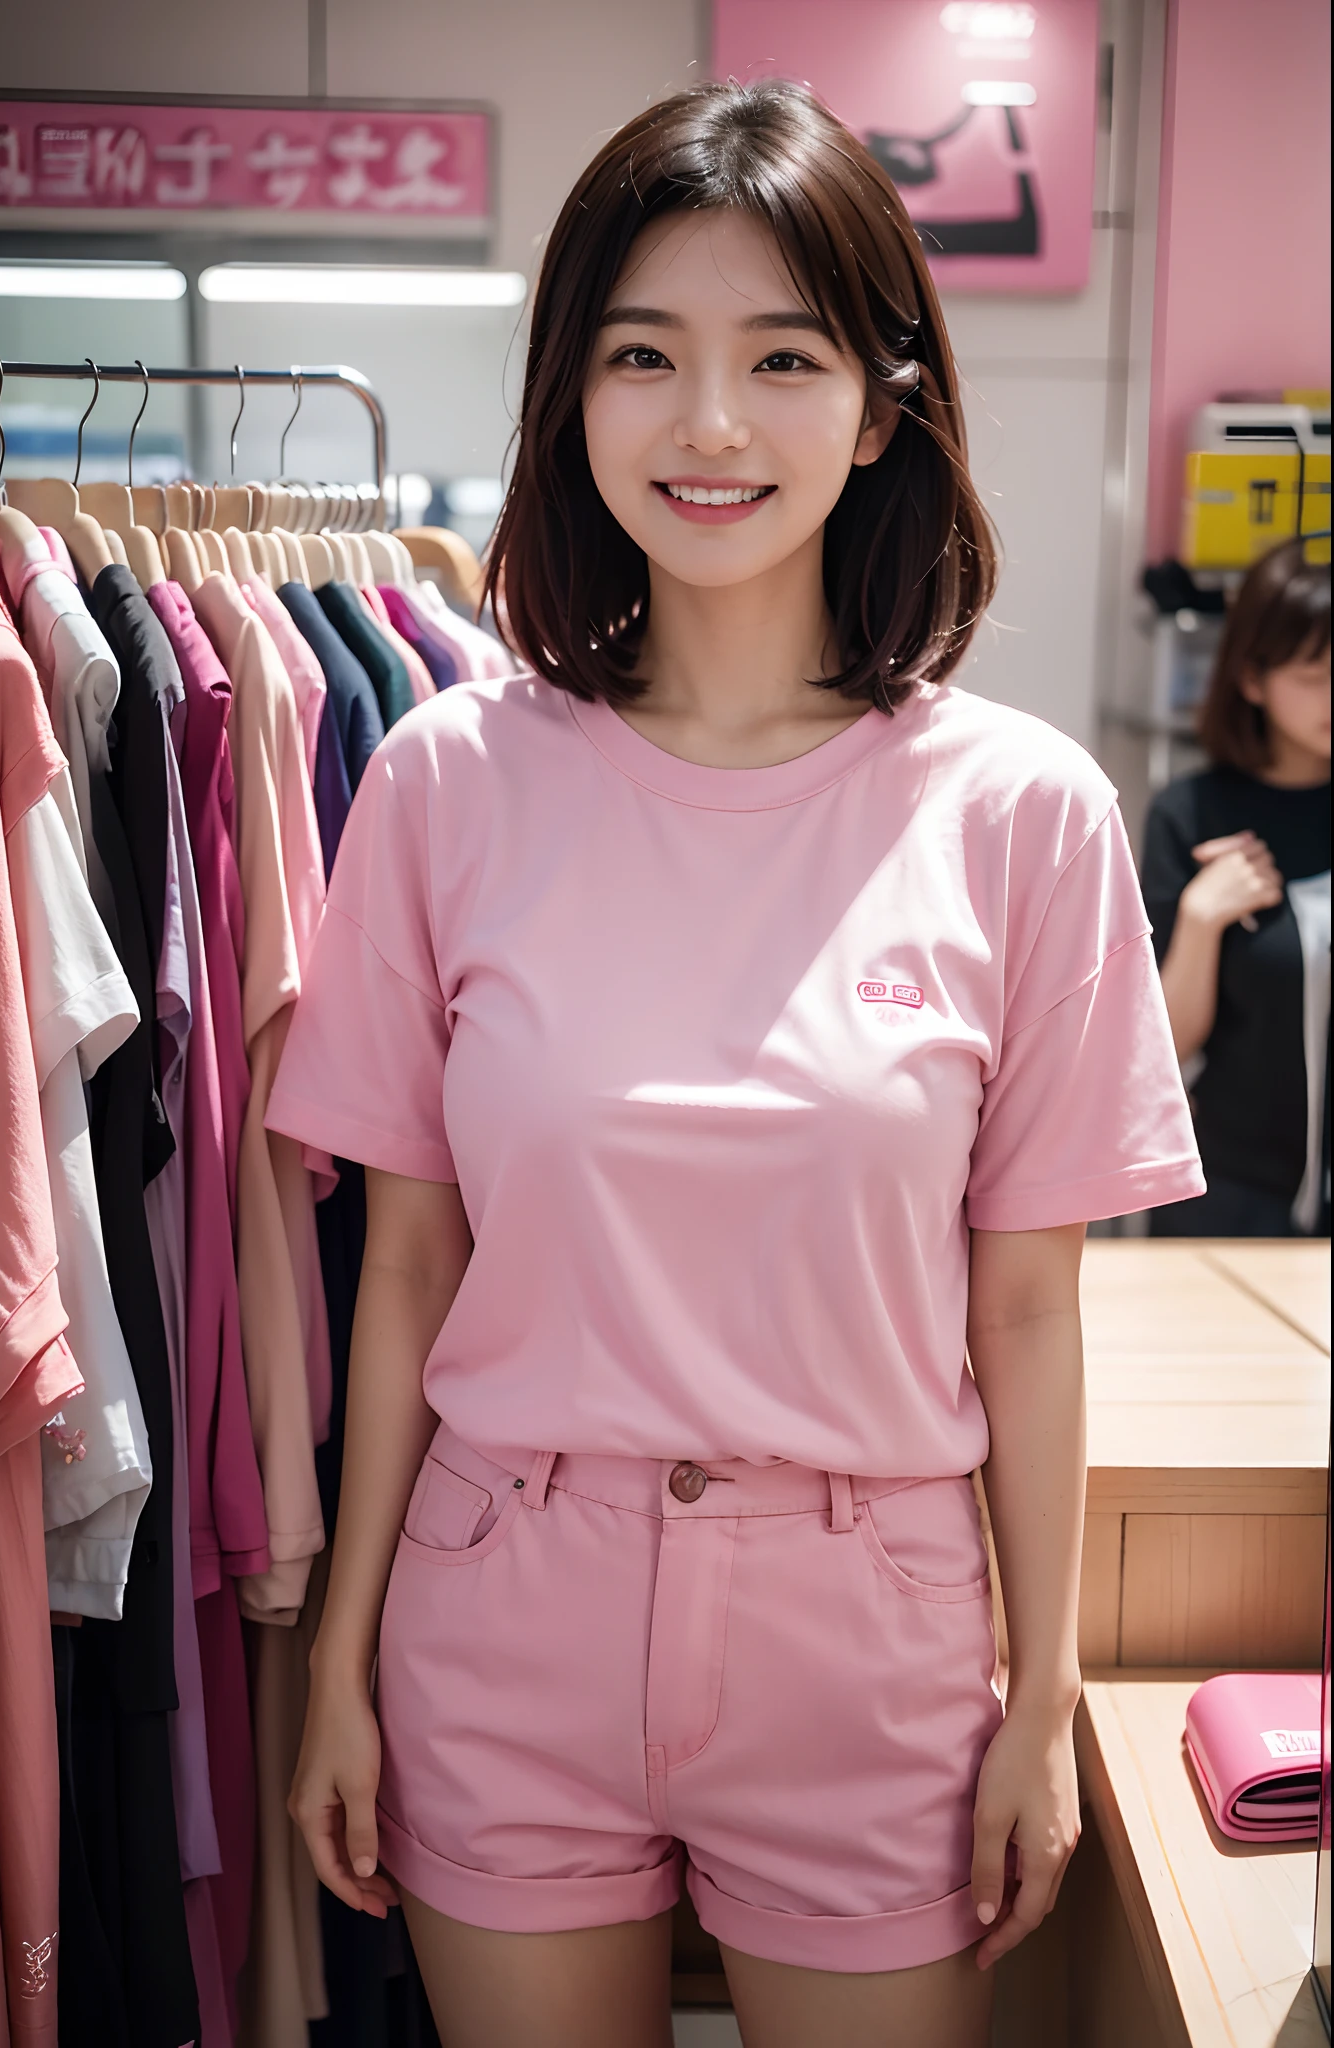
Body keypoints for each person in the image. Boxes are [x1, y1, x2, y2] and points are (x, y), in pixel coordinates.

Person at [267, 82, 1203, 2048]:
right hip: (502, 1603)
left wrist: (1034, 1701)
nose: (706, 422)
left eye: (778, 357)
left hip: (866, 1642)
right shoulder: (443, 783)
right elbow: (408, 1273)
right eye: (641, 356)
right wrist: (340, 1655)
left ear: (878, 408)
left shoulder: (1021, 811)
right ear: (568, 400)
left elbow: (1026, 1314)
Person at [1143, 540, 1331, 1237]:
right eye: (1315, 674)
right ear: (1252, 678)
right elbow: (1162, 1049)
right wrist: (1200, 918)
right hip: (1231, 1195)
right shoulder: (1191, 816)